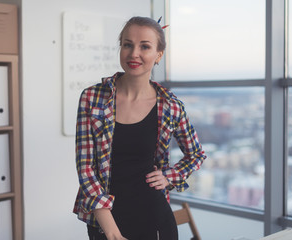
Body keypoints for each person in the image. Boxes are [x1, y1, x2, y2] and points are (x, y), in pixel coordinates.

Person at [73, 16, 206, 240]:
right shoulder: (92, 98)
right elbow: (86, 168)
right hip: (106, 219)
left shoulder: (170, 106)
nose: (134, 53)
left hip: (155, 216)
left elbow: (196, 154)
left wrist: (170, 176)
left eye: (145, 46)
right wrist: (112, 232)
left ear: (158, 55)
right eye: (127, 44)